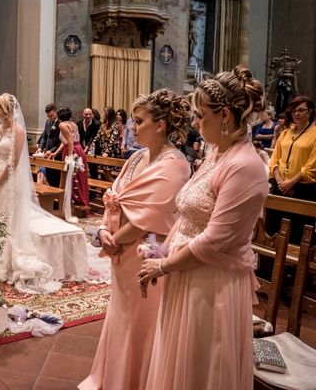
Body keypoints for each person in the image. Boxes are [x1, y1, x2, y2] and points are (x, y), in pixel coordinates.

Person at [139, 66, 268, 390]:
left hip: (212, 285)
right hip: (188, 274)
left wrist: (163, 265)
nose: (195, 123)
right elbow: (187, 212)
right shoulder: (216, 153)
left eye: (200, 115)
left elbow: (214, 241)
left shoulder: (246, 166)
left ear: (224, 115)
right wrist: (162, 249)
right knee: (176, 362)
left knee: (199, 368)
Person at [79, 90, 190, 390]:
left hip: (145, 254)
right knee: (120, 316)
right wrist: (103, 229)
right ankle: (112, 378)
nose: (132, 127)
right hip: (120, 250)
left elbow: (146, 218)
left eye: (139, 121)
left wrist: (112, 239)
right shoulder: (138, 157)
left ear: (161, 125)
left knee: (141, 322)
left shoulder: (176, 166)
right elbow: (114, 196)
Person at [0, 93, 63, 294]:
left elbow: (13, 161)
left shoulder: (18, 131)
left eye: (0, 107)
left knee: (8, 216)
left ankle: (6, 256)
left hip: (9, 179)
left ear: (10, 109)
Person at [269, 95, 316, 201]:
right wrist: (281, 183)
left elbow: (311, 167)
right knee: (272, 216)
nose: (296, 113)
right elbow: (275, 159)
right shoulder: (286, 132)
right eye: (293, 110)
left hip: (302, 188)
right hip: (279, 184)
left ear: (310, 112)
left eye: (301, 110)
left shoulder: (314, 134)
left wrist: (290, 183)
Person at [49, 107, 90, 218]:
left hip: (72, 150)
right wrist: (55, 153)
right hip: (78, 149)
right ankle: (75, 202)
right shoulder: (74, 124)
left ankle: (72, 204)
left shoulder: (62, 125)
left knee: (72, 176)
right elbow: (66, 141)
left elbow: (70, 140)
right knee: (78, 177)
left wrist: (71, 157)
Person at [37, 103, 62, 187]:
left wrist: (52, 151)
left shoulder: (60, 123)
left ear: (56, 112)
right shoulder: (47, 122)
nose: (49, 118)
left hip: (57, 153)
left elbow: (61, 141)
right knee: (48, 174)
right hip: (47, 152)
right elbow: (44, 136)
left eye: (51, 116)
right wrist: (40, 147)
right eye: (48, 116)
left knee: (55, 176)